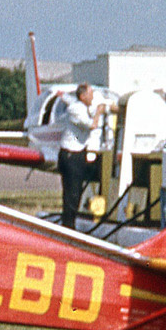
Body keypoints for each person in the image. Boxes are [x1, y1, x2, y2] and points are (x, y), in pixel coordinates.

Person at [57, 84, 112, 230]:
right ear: (82, 97)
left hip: (78, 153)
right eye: (91, 94)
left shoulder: (81, 107)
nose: (93, 97)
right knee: (72, 193)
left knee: (75, 192)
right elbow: (92, 125)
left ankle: (69, 222)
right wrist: (99, 113)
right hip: (71, 155)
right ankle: (68, 226)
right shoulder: (75, 110)